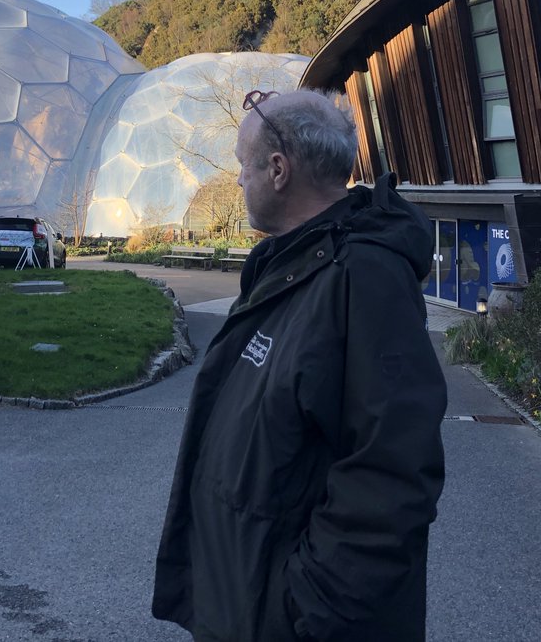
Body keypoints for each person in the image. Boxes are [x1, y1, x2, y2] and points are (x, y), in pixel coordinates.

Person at [152, 89, 447, 642]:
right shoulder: (288, 265)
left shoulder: (363, 277)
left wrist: (302, 612)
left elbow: (390, 476)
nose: (238, 180)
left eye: (244, 165)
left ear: (278, 170)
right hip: (248, 604)